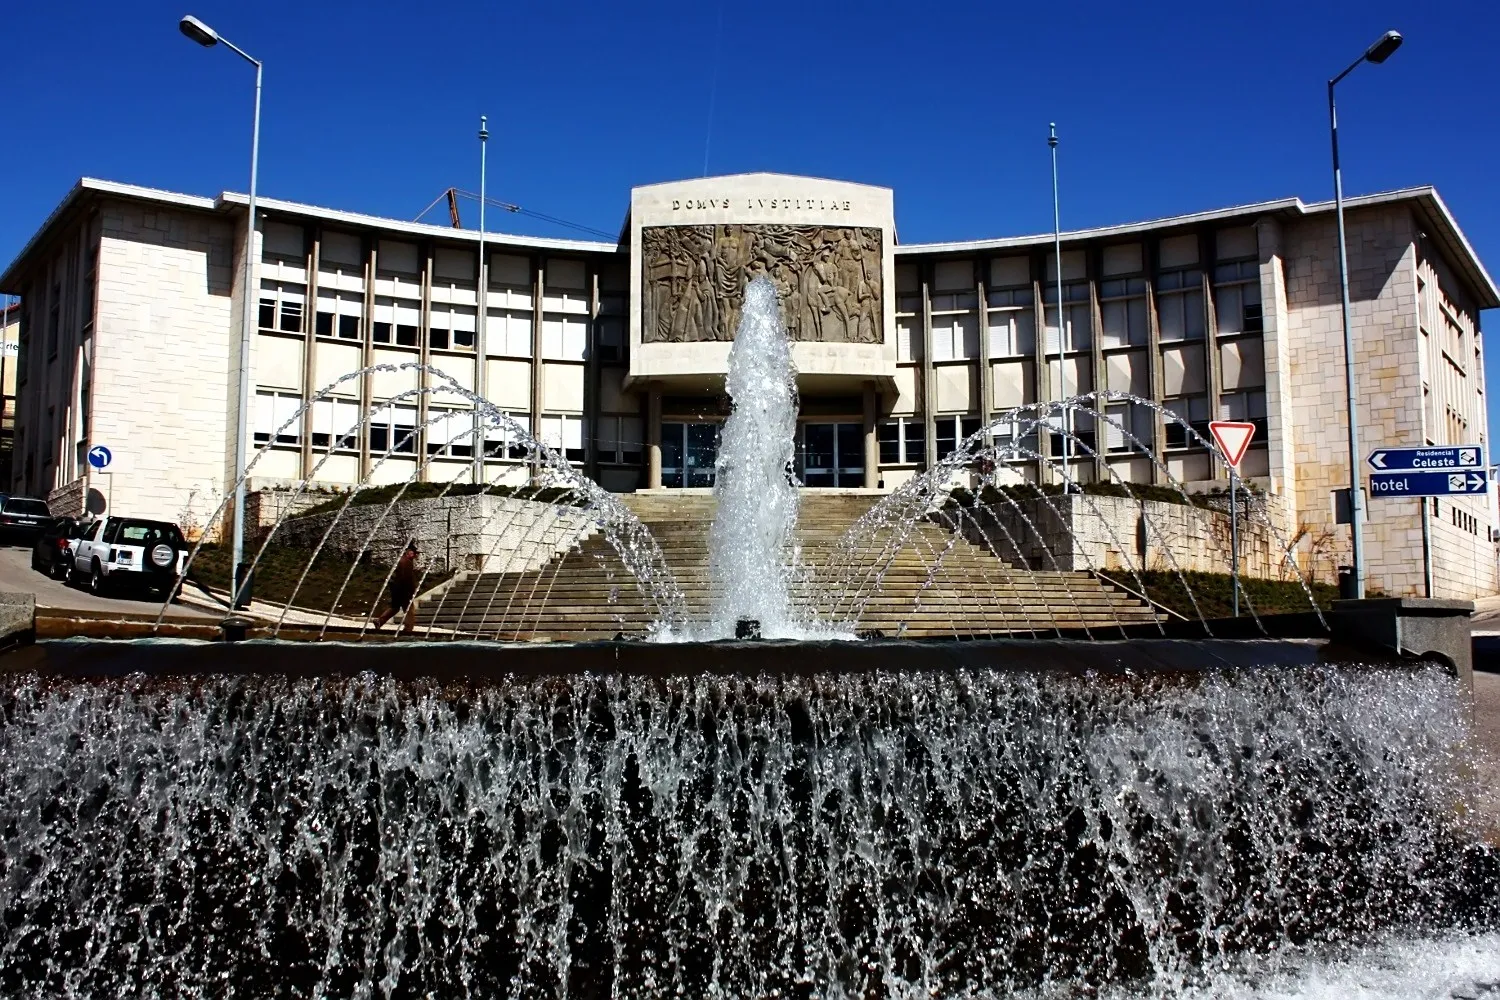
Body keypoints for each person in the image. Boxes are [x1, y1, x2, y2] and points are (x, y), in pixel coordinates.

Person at [373, 542, 419, 634]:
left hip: (396, 589)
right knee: (409, 610)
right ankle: (408, 629)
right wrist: (411, 591)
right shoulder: (406, 562)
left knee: (395, 607)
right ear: (408, 552)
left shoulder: (402, 560)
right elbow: (407, 578)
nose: (415, 555)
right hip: (404, 590)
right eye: (413, 553)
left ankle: (380, 621)